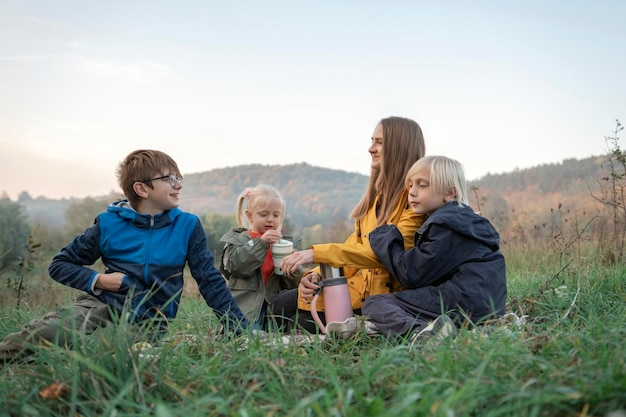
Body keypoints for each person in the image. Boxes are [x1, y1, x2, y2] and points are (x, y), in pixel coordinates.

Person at [0, 149, 248, 363]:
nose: (179, 184)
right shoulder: (108, 223)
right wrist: (99, 281)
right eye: (170, 178)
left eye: (179, 177)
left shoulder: (187, 225)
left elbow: (209, 279)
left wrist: (239, 329)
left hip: (149, 320)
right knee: (50, 332)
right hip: (102, 303)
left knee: (114, 356)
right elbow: (59, 265)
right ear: (141, 188)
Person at [273, 116, 426, 333]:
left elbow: (384, 254)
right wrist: (316, 274)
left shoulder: (415, 204)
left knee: (301, 323)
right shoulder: (374, 200)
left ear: (400, 147)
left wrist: (315, 254)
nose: (371, 149)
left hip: (383, 302)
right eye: (372, 140)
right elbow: (352, 249)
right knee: (281, 304)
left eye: (380, 142)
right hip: (354, 291)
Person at [362, 155, 507, 343]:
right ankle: (439, 326)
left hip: (465, 302)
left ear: (450, 193)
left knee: (376, 303)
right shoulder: (461, 221)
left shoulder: (446, 226)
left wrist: (385, 239)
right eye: (410, 185)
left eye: (422, 185)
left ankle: (420, 333)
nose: (412, 192)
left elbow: (412, 274)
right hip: (487, 304)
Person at [219, 184, 303, 331]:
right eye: (264, 215)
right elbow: (236, 267)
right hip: (246, 308)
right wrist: (261, 243)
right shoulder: (238, 240)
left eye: (276, 215)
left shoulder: (286, 244)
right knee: (249, 337)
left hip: (275, 308)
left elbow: (295, 282)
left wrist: (292, 261)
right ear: (250, 215)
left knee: (277, 338)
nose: (270, 220)